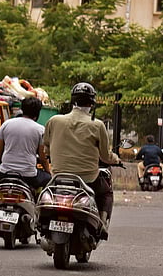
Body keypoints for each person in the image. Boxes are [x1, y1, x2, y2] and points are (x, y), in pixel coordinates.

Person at [43, 82, 122, 227]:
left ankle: (40, 222)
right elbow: (106, 156)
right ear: (92, 103)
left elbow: (46, 147)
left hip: (58, 176)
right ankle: (102, 225)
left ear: (72, 100)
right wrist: (116, 160)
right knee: (106, 193)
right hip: (88, 179)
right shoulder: (97, 125)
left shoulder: (54, 121)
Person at [0, 96, 52, 193]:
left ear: (22, 109)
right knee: (48, 179)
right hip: (29, 175)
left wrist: (1, 166)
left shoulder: (6, 124)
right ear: (38, 113)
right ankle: (39, 201)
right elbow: (43, 157)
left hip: (5, 172)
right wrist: (48, 171)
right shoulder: (40, 129)